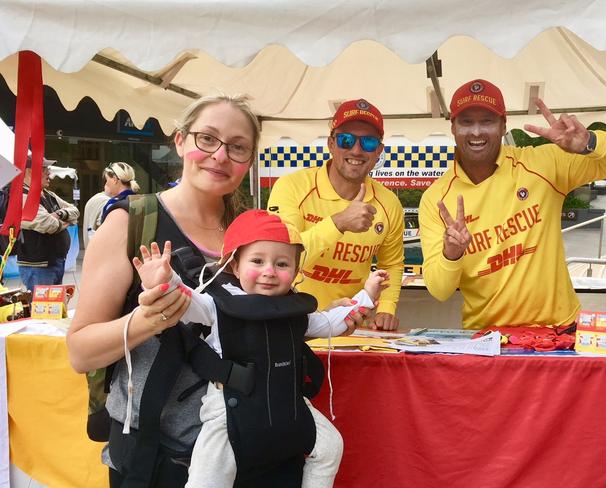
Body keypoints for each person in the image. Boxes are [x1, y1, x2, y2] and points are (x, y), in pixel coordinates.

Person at [67, 94, 366, 487]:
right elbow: (80, 352)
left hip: (260, 450)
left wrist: (327, 313)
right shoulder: (132, 223)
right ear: (180, 141)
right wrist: (147, 319)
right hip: (162, 463)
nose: (220, 156)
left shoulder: (256, 232)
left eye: (238, 147)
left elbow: (269, 316)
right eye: (207, 139)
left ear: (249, 160)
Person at [132, 210, 388, 488]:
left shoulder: (294, 311)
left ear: (295, 270)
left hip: (288, 404)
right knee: (208, 476)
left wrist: (368, 295)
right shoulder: (218, 305)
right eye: (257, 261)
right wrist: (163, 281)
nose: (269, 271)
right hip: (229, 412)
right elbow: (187, 302)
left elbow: (329, 323)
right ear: (234, 266)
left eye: (281, 264)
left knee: (330, 447)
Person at [419, 78, 606, 329]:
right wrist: (452, 253)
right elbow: (439, 290)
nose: (476, 132)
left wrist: (588, 142)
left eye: (487, 121)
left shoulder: (542, 164)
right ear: (453, 127)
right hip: (488, 341)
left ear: (503, 125)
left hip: (559, 331)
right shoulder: (435, 199)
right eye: (466, 122)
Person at [267, 99, 405, 331]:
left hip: (352, 325)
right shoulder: (291, 187)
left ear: (379, 151)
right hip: (294, 322)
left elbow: (391, 263)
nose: (357, 150)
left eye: (369, 142)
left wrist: (386, 309)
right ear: (331, 144)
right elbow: (280, 259)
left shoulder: (389, 203)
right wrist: (338, 223)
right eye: (346, 140)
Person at [17, 156, 79, 293]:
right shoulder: (23, 196)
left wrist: (60, 214)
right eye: (44, 168)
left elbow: (75, 211)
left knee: (52, 309)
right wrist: (61, 220)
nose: (48, 173)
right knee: (42, 311)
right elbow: (50, 225)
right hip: (38, 266)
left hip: (54, 262)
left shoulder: (47, 194)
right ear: (29, 171)